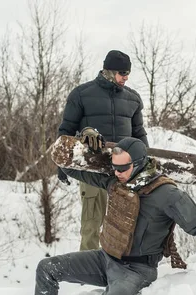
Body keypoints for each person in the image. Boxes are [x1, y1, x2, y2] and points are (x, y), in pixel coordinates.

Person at [30, 135, 196, 295]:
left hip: (136, 271)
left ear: (140, 164)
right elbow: (71, 168)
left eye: (123, 168)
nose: (117, 172)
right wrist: (78, 142)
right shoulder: (114, 180)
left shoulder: (167, 194)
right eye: (114, 167)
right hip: (105, 259)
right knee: (47, 268)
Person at [57, 49, 149, 251]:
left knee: (127, 224)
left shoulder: (133, 99)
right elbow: (66, 131)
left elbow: (139, 134)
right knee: (92, 224)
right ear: (109, 71)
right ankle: (87, 274)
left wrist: (145, 162)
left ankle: (124, 268)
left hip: (126, 169)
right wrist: (61, 165)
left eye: (128, 74)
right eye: (122, 73)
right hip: (93, 168)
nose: (126, 78)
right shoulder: (81, 94)